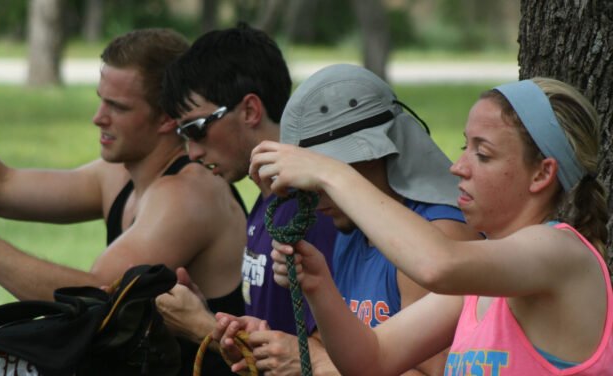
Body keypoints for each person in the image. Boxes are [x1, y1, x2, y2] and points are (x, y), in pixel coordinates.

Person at [0, 29, 248, 375]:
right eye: (101, 101)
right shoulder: (119, 175)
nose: (99, 118)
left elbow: (98, 300)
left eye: (118, 107)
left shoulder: (189, 194)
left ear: (167, 119)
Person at [253, 77, 613, 375]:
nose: (458, 167)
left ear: (542, 173)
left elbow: (438, 264)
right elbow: (371, 360)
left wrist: (329, 171)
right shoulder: (481, 283)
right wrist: (319, 285)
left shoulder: (562, 253)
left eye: (482, 154)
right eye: (464, 147)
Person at [214, 64, 482, 375]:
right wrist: (273, 348)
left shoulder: (438, 236)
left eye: (322, 178)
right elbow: (335, 346)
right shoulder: (350, 233)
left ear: (373, 154)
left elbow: (435, 372)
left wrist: (310, 365)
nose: (314, 199)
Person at [154, 23, 339, 374]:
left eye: (195, 129)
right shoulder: (269, 202)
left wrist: (199, 325)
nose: (191, 152)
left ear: (251, 110)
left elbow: (320, 357)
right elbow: (274, 328)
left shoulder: (315, 212)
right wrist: (213, 315)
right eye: (182, 135)